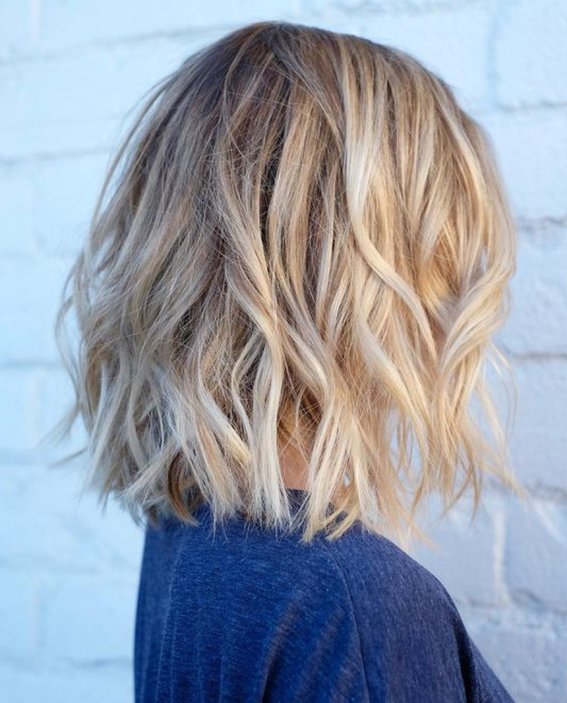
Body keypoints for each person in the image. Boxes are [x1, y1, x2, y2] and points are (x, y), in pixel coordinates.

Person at [49, 20, 526, 702]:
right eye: (444, 246)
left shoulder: (191, 533)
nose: (456, 289)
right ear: (369, 274)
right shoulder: (350, 604)